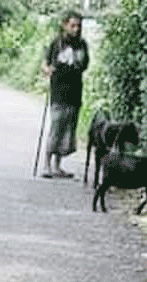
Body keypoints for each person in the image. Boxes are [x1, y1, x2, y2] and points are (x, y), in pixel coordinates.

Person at [41, 11, 89, 179]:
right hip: (58, 93)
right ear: (64, 25)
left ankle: (57, 166)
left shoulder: (82, 44)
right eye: (73, 25)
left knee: (68, 131)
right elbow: (45, 63)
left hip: (75, 93)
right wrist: (48, 70)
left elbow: (85, 65)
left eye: (79, 26)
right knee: (56, 128)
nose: (76, 29)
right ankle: (46, 165)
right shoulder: (57, 43)